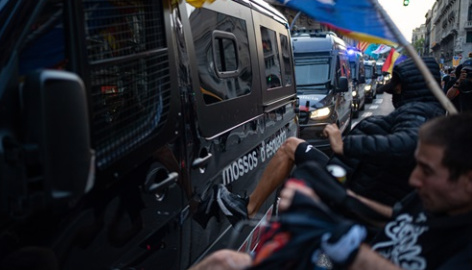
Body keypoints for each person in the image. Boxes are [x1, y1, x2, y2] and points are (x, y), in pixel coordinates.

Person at [189, 113, 472, 270]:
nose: (414, 179)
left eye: (427, 170)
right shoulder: (433, 201)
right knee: (222, 262)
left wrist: (346, 245)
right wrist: (342, 200)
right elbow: (396, 216)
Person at [197, 57, 445, 227]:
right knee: (294, 158)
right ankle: (244, 209)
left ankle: (248, 210)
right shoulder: (423, 109)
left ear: (412, 84)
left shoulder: (419, 112)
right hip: (353, 175)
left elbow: (407, 143)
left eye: (398, 85)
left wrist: (343, 145)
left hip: (351, 184)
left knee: (291, 148)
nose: (395, 90)